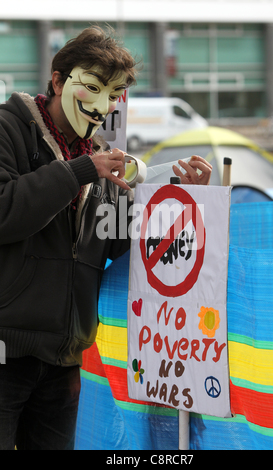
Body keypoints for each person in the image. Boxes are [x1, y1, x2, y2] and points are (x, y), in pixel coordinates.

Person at [0, 26, 212, 450]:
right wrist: (82, 171)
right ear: (58, 80)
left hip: (65, 359)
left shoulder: (96, 153)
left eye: (114, 95)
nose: (103, 105)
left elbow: (114, 238)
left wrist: (183, 199)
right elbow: (5, 211)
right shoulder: (9, 128)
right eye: (93, 87)